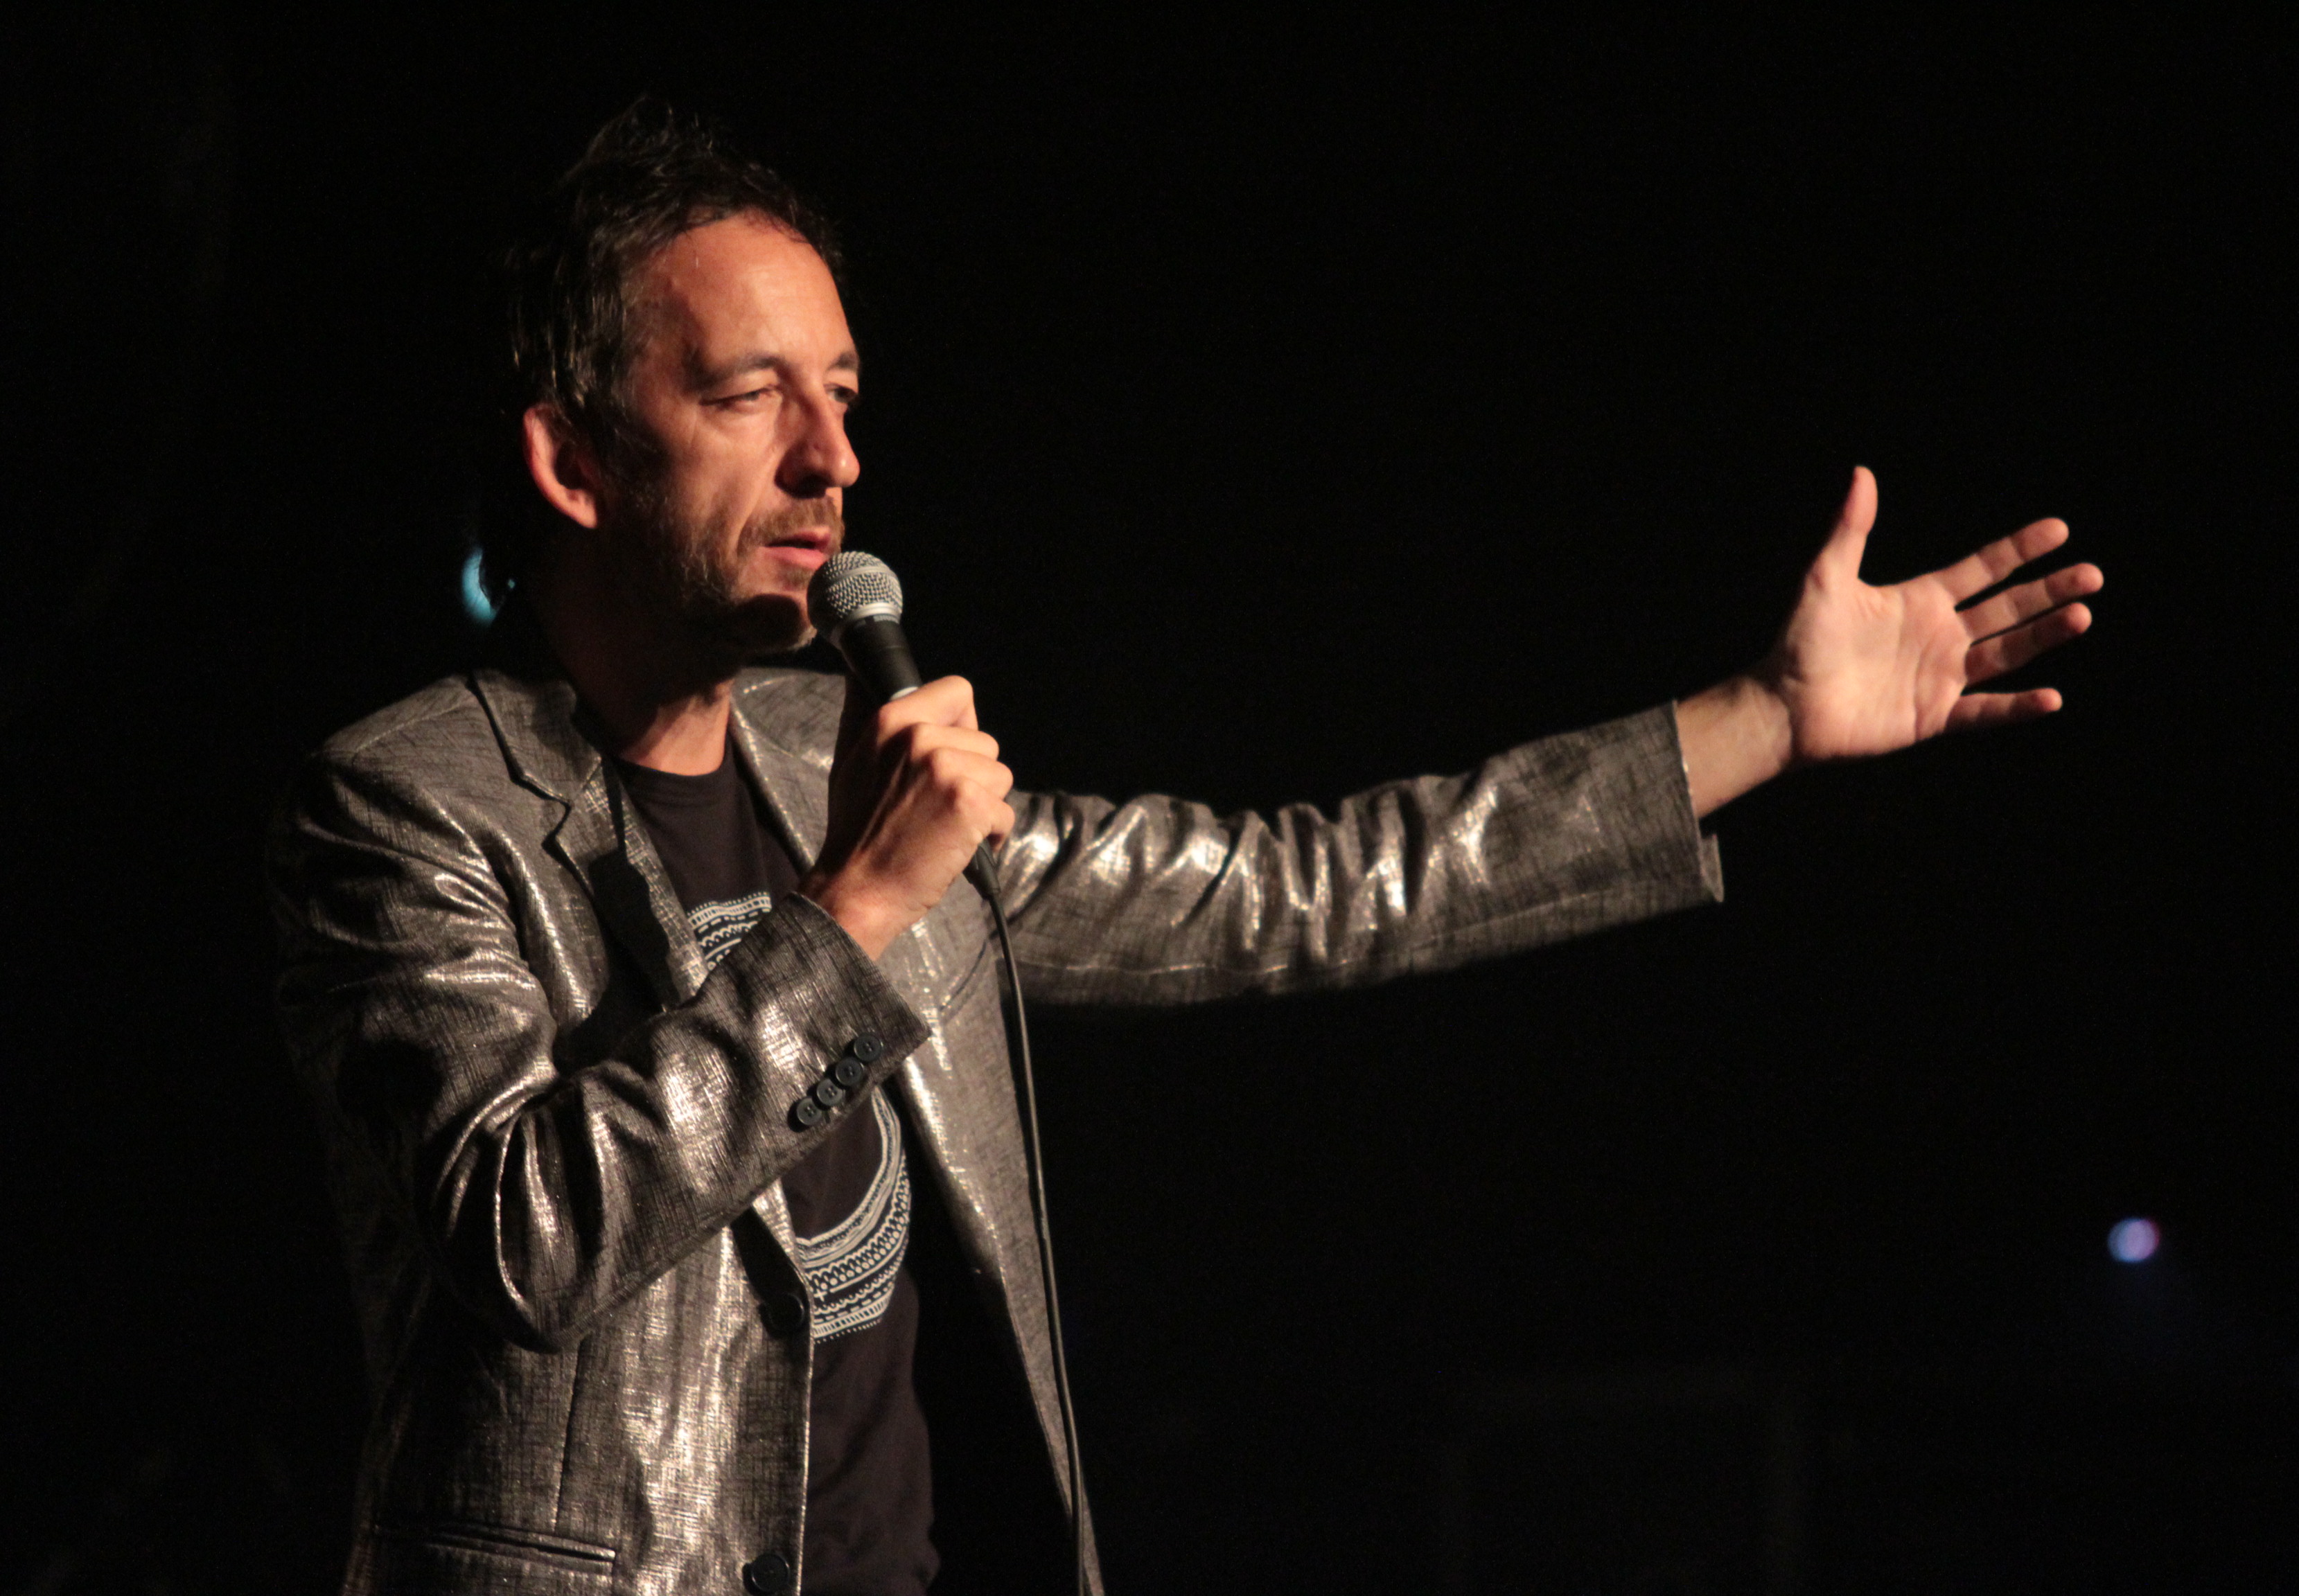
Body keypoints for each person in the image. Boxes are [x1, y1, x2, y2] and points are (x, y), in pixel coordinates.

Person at [269, 103, 2099, 1596]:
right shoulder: (409, 805)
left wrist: (1766, 717)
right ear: (576, 461)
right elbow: (527, 1235)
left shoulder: (838, 756)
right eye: (753, 396)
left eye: (846, 395)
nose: (834, 461)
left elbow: (1304, 890)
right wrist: (859, 907)